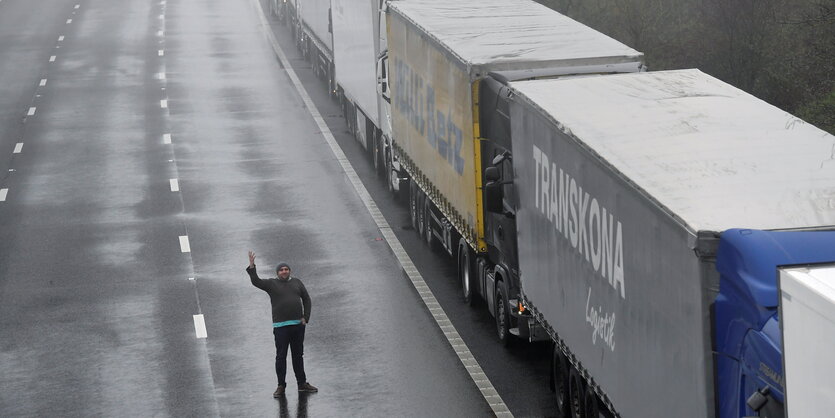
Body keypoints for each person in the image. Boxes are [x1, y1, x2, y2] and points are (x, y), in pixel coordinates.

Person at [247, 251, 318, 397]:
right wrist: (252, 266)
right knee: (281, 357)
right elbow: (256, 281)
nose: (284, 271)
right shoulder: (271, 284)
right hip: (281, 327)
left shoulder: (297, 282)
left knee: (298, 355)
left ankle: (302, 383)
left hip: (298, 326)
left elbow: (306, 299)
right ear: (277, 272)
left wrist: (306, 317)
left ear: (289, 271)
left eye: (286, 269)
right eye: (281, 270)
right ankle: (281, 386)